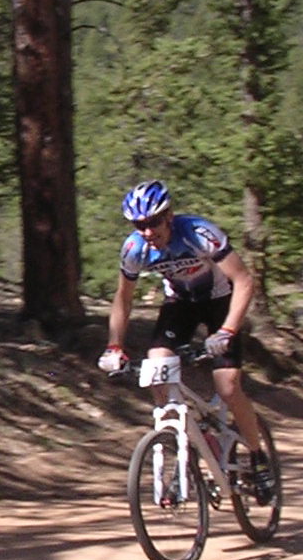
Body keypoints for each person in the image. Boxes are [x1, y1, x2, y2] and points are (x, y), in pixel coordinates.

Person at [97, 179, 271, 501]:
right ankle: (181, 439)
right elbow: (123, 298)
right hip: (180, 305)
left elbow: (244, 280)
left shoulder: (198, 233)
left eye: (153, 222)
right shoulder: (135, 249)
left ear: (169, 216)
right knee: (157, 366)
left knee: (227, 387)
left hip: (220, 301)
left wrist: (227, 331)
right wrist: (114, 346)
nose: (147, 231)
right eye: (139, 225)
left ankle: (258, 456)